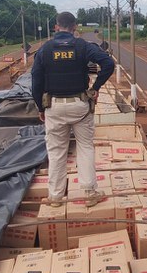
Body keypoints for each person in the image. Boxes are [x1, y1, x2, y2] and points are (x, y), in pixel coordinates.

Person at [32, 12, 115, 207]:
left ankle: (55, 197)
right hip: (80, 105)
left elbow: (36, 81)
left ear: (56, 27)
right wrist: (95, 88)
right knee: (85, 147)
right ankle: (90, 193)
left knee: (56, 151)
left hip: (54, 107)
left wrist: (40, 107)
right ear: (75, 27)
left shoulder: (44, 50)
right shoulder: (83, 47)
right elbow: (108, 63)